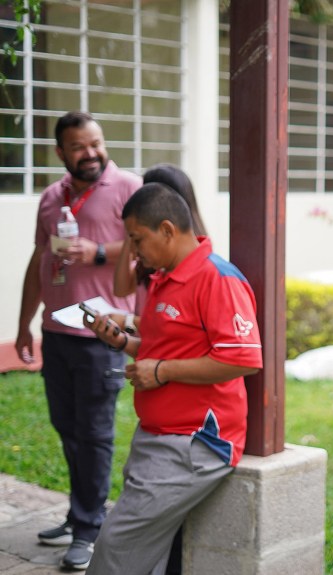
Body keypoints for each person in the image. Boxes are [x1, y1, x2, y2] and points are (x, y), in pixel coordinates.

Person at [82, 182, 262, 574]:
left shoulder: (218, 278)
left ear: (167, 230)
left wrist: (161, 371)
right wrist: (125, 343)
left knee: (115, 546)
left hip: (196, 442)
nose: (133, 251)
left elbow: (244, 359)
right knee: (147, 556)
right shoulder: (166, 276)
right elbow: (167, 348)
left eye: (137, 239)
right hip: (161, 439)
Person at [14, 111, 141, 570]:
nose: (90, 154)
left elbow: (150, 250)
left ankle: (89, 528)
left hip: (102, 336)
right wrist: (25, 323)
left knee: (94, 432)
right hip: (56, 332)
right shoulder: (51, 198)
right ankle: (80, 514)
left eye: (96, 144)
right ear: (61, 152)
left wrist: (99, 252)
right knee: (67, 428)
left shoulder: (128, 188)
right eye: (78, 147)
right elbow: (39, 262)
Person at [113, 163, 208, 299]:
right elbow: (120, 289)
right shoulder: (151, 252)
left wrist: (129, 321)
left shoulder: (198, 265)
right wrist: (134, 231)